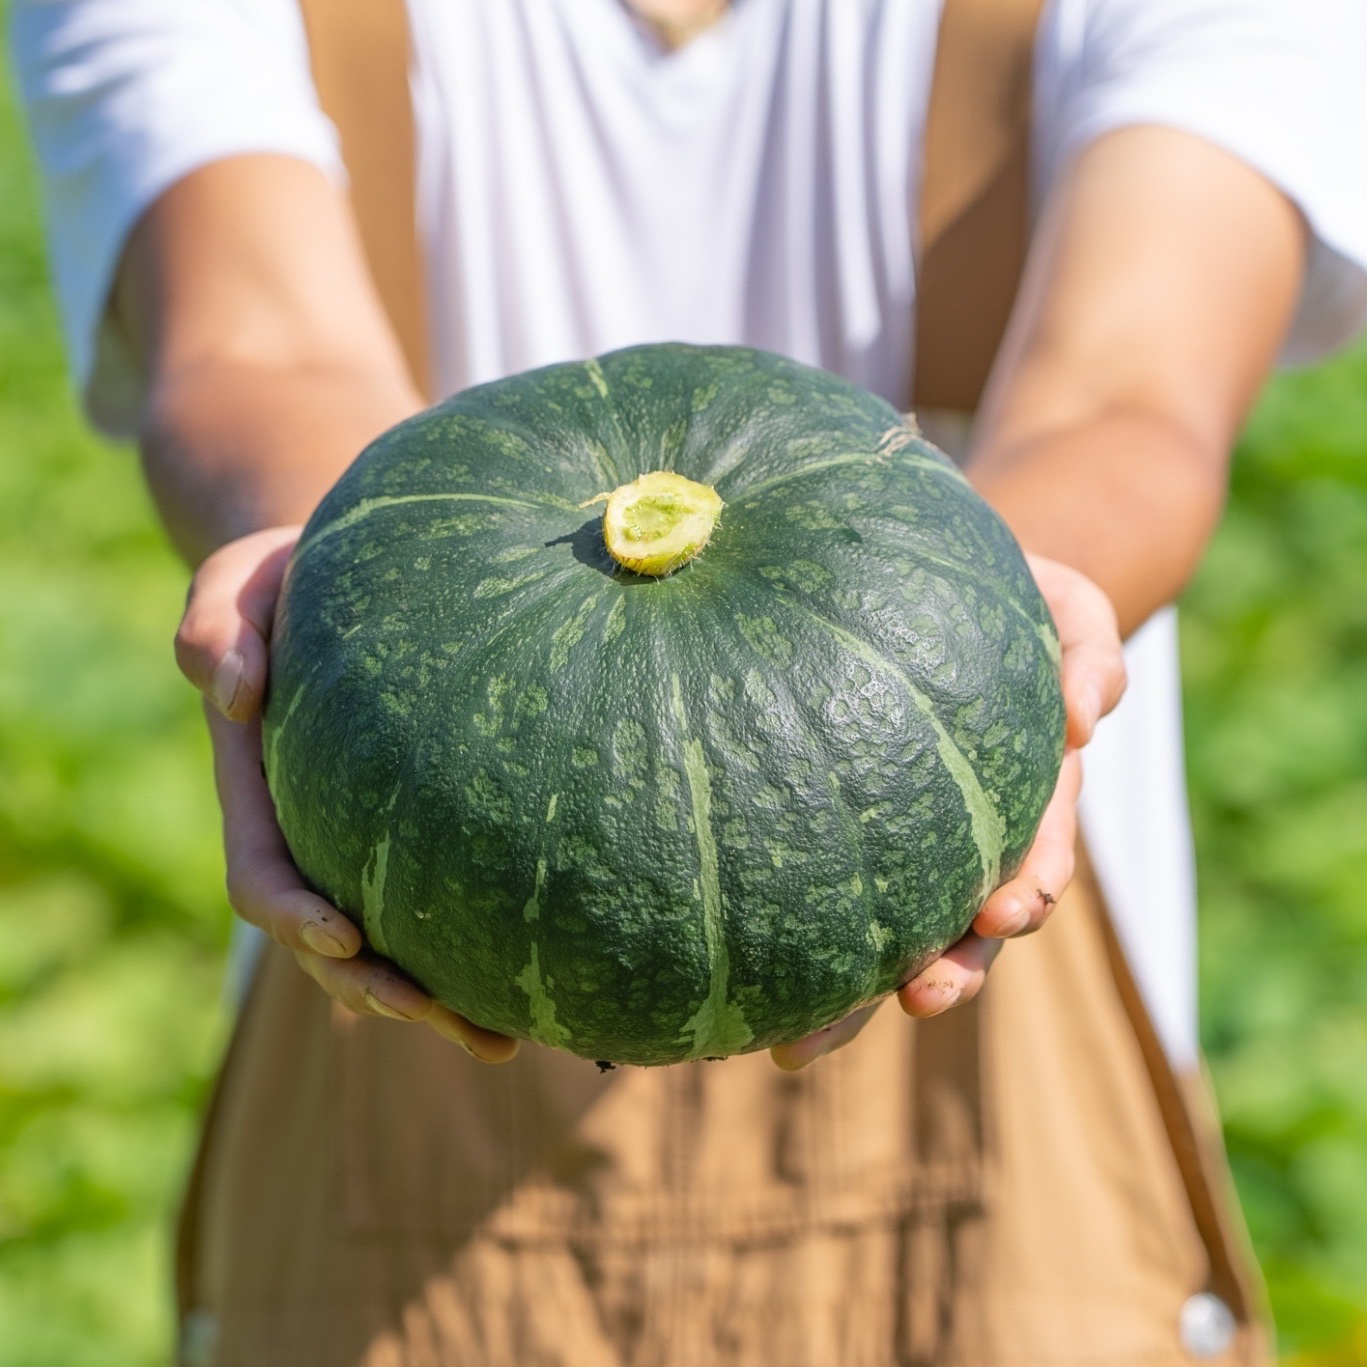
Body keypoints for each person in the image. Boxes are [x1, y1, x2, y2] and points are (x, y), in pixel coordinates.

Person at [13, 0, 1367, 1361]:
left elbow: (1129, 399)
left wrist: (1007, 639)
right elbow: (252, 349)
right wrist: (328, 593)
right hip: (419, 932)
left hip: (951, 934)